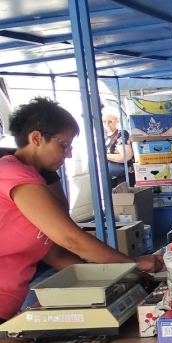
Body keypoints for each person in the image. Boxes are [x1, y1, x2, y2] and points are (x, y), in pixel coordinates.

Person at [0, 97, 162, 322]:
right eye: (63, 144)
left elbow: (57, 254)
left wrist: (126, 275)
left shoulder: (35, 180)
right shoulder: (13, 174)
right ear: (36, 138)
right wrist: (131, 262)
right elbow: (70, 239)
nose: (67, 154)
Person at [103, 112, 133, 186]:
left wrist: (105, 156)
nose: (107, 123)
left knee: (122, 196)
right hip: (109, 175)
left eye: (110, 121)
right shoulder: (103, 136)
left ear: (117, 121)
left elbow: (125, 156)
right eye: (104, 121)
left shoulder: (121, 134)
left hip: (123, 175)